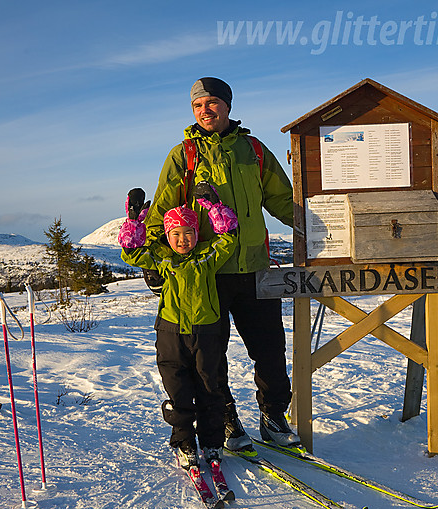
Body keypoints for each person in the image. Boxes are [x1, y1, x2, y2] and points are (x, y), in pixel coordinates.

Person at [144, 77, 301, 452]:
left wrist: (316, 226)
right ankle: (226, 419)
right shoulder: (183, 155)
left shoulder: (254, 151)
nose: (205, 110)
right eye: (198, 105)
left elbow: (282, 199)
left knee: (270, 350)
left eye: (212, 102)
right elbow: (163, 207)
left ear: (227, 105)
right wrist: (153, 255)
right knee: (210, 357)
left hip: (255, 269)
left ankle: (274, 415)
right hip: (206, 273)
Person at [119, 186, 239, 469]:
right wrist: (134, 220)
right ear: (167, 236)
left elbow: (228, 237)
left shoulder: (207, 257)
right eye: (176, 234)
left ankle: (211, 442)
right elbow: (132, 254)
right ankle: (184, 441)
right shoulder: (162, 258)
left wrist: (214, 207)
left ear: (197, 235)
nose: (182, 239)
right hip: (171, 334)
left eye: (188, 233)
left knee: (210, 388)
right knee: (179, 390)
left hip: (206, 332)